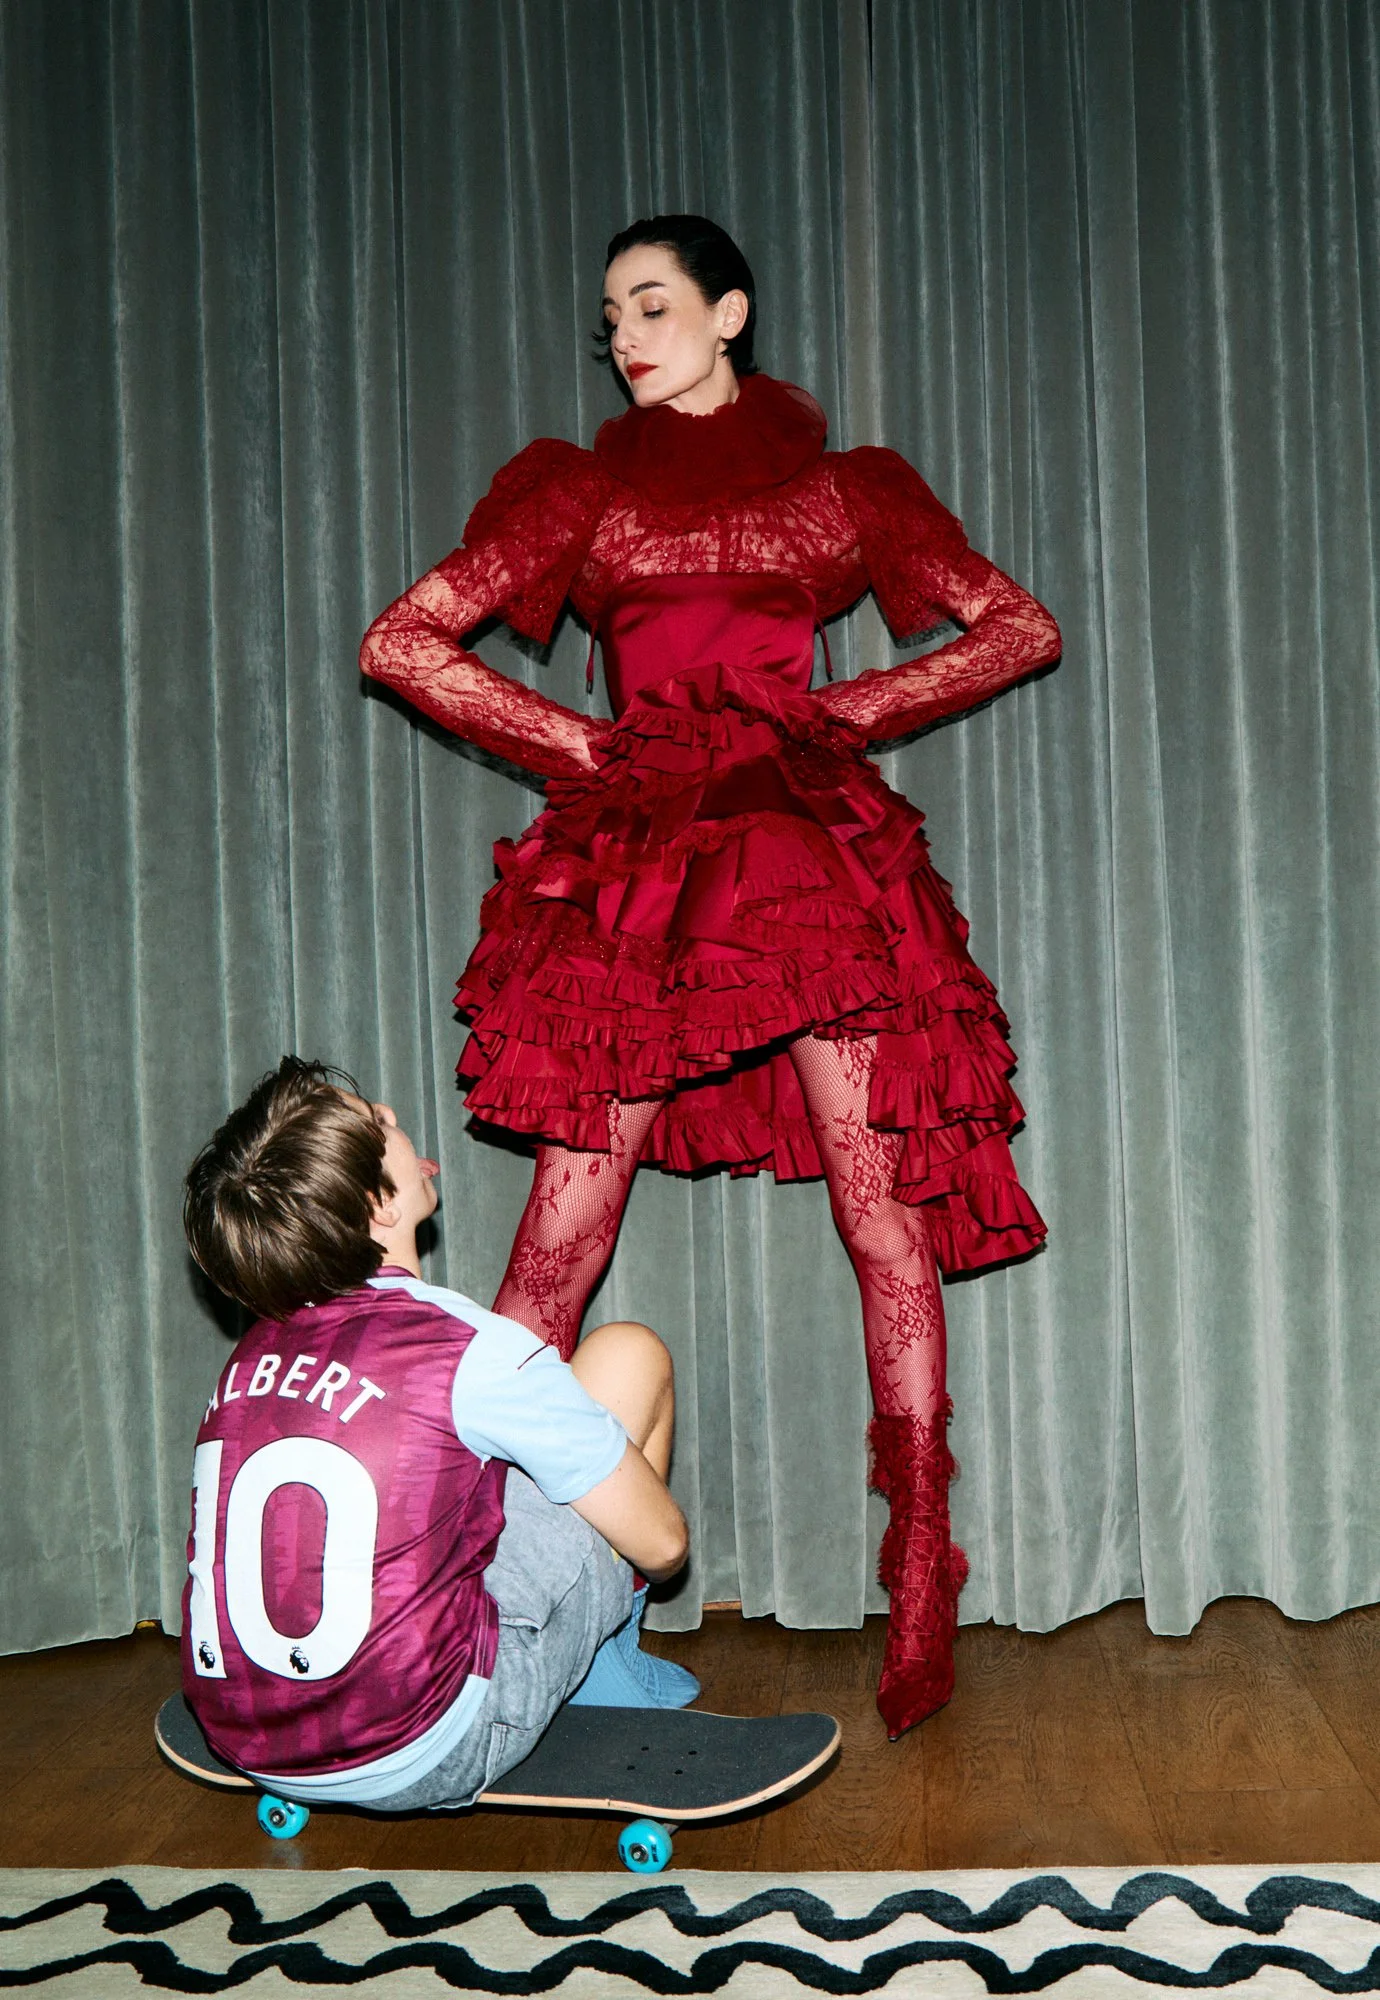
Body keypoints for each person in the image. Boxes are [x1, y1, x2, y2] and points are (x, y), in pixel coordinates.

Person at [359, 215, 1061, 1738]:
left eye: (654, 302)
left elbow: (1017, 625)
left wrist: (841, 715)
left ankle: (922, 1563)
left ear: (730, 311)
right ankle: (447, 1546)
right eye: (608, 309)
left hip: (807, 867)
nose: (624, 330)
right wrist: (590, 747)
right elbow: (404, 640)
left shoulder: (837, 494)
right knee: (563, 1232)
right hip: (641, 879)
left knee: (885, 1222)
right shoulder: (586, 499)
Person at [179, 1056, 689, 1807]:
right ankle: (607, 1672)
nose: (389, 1109)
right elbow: (665, 1545)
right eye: (377, 1123)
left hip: (245, 1738)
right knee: (629, 1355)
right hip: (428, 1746)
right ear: (380, 1208)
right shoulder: (469, 1348)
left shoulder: (248, 1357)